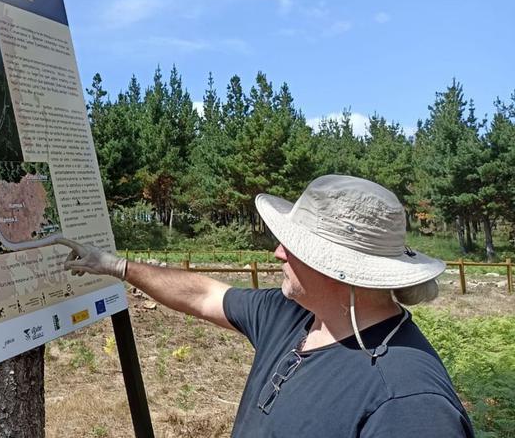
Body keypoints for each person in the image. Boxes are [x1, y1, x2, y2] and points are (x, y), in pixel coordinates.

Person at [54, 175, 474, 437]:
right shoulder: (295, 315)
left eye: (294, 246)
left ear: (341, 269)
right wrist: (116, 265)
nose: (277, 252)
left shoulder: (406, 401)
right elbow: (203, 295)